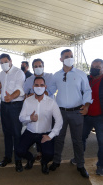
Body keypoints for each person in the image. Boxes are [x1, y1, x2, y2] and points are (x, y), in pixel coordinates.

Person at [48, 49, 92, 178]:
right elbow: (50, 91)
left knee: (77, 140)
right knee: (59, 139)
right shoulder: (56, 75)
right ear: (61, 59)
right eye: (66, 56)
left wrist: (87, 106)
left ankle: (80, 165)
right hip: (60, 112)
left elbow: (87, 91)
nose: (69, 58)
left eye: (71, 56)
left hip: (77, 111)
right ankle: (56, 161)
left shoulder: (80, 74)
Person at [17, 77, 63, 174]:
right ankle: (30, 158)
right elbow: (21, 117)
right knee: (19, 150)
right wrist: (30, 118)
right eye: (36, 85)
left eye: (41, 85)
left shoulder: (51, 102)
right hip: (30, 131)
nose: (39, 87)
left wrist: (50, 136)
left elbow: (59, 121)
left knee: (49, 154)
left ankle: (44, 162)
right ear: (33, 87)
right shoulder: (28, 101)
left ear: (45, 87)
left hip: (45, 133)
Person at [0, 53, 25, 172]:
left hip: (15, 106)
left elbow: (19, 89)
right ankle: (8, 157)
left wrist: (11, 97)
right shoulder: (1, 73)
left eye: (5, 61)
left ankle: (18, 160)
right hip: (4, 106)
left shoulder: (18, 72)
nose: (4, 64)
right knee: (7, 132)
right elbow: (3, 87)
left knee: (16, 133)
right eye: (1, 62)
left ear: (10, 61)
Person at [79, 59, 103, 176]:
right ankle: (79, 159)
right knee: (81, 138)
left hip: (100, 117)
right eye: (92, 66)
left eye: (97, 67)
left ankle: (101, 165)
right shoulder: (87, 79)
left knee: (102, 142)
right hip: (86, 116)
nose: (94, 68)